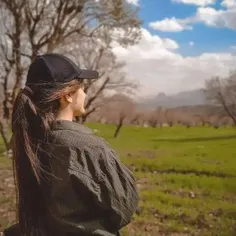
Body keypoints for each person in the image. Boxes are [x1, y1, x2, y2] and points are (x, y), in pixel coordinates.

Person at [3, 53, 139, 236]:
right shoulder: (89, 147)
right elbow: (125, 207)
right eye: (81, 87)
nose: (84, 93)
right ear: (67, 95)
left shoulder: (29, 141)